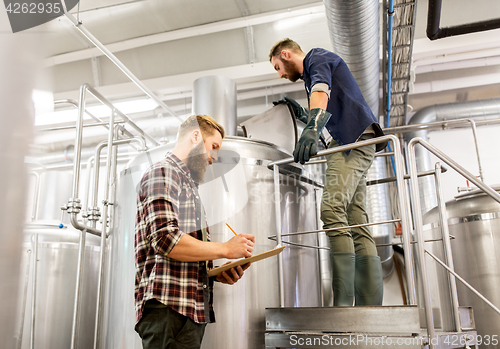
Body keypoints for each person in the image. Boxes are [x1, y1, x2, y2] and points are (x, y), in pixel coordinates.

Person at [269, 39, 386, 306]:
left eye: (278, 66)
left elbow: (322, 91)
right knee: (356, 219)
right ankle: (371, 306)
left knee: (331, 210)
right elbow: (327, 105)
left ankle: (343, 305)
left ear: (286, 54)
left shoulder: (315, 59)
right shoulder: (313, 72)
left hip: (350, 144)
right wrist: (304, 116)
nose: (281, 74)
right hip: (358, 140)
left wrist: (310, 127)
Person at [134, 114, 256, 349]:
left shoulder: (187, 185)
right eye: (214, 146)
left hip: (186, 312)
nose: (214, 157)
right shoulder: (163, 172)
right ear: (196, 136)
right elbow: (165, 239)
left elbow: (181, 248)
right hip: (169, 310)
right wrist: (226, 249)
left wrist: (213, 272)